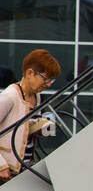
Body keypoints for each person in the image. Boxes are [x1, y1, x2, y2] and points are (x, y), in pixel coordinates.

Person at [0, 49, 61, 183]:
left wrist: (41, 126)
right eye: (46, 79)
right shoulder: (10, 97)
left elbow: (23, 127)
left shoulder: (36, 96)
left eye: (52, 80)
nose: (49, 84)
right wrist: (1, 165)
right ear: (29, 73)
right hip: (5, 174)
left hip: (22, 171)